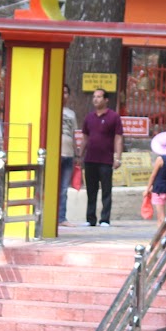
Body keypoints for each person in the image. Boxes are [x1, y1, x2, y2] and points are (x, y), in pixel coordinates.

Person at [80, 87, 123, 226]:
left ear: (106, 100)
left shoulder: (114, 117)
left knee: (106, 190)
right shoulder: (89, 117)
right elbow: (85, 138)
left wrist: (118, 158)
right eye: (94, 97)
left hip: (105, 160)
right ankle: (90, 219)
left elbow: (118, 138)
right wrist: (80, 155)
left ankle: (105, 219)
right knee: (91, 191)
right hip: (90, 159)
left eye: (99, 97)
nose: (96, 99)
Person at [58, 86, 78, 224]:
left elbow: (74, 134)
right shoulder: (51, 109)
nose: (63, 95)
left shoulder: (71, 114)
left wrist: (77, 153)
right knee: (53, 187)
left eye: (65, 92)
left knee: (64, 189)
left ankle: (61, 217)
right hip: (55, 154)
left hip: (69, 153)